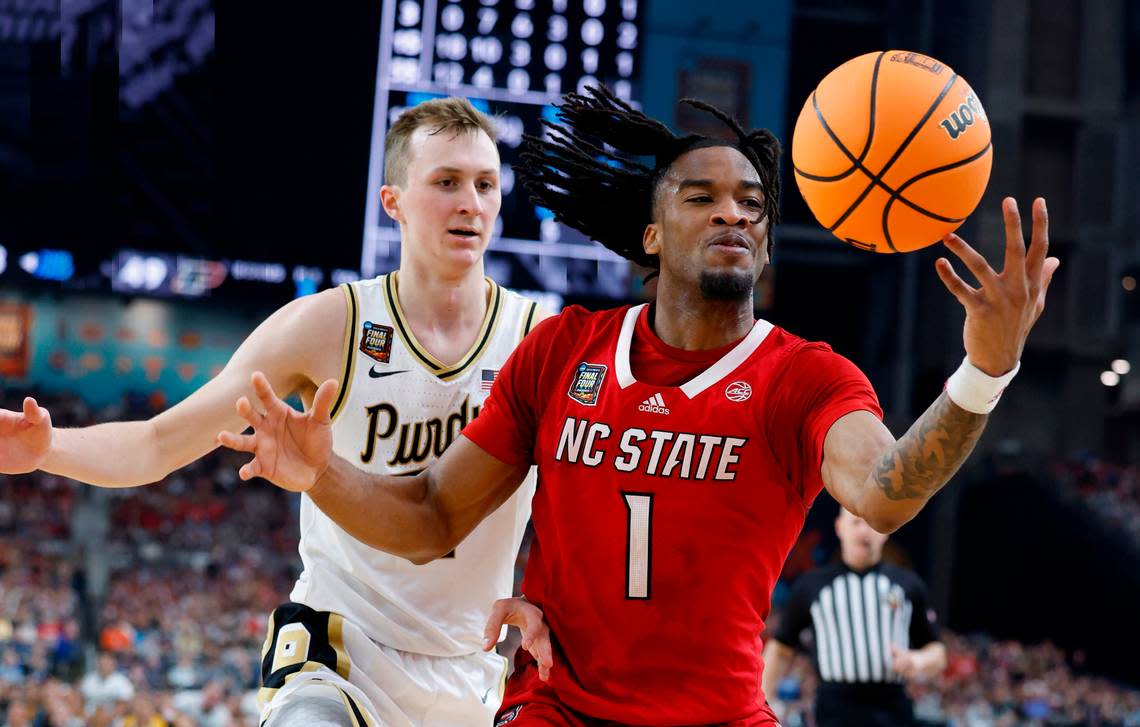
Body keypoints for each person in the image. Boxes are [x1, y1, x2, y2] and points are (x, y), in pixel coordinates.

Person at [219, 86, 1059, 726]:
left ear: (764, 243)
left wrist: (984, 371)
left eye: (753, 205)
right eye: (701, 196)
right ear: (652, 232)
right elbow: (435, 512)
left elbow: (883, 489)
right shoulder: (562, 350)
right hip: (559, 710)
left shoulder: (804, 376)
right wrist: (321, 474)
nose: (733, 210)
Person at [0, 97, 552, 727]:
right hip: (340, 653)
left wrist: (548, 600)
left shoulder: (539, 339)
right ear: (392, 201)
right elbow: (157, 443)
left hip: (473, 665)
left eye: (485, 184)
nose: (470, 203)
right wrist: (47, 450)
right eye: (446, 182)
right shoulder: (330, 325)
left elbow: (582, 504)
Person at [762, 508, 946, 726]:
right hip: (835, 709)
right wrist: (763, 702)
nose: (864, 531)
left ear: (885, 530)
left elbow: (937, 652)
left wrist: (917, 661)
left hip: (892, 709)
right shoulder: (811, 586)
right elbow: (780, 648)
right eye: (856, 522)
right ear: (839, 527)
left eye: (872, 523)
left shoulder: (907, 585)